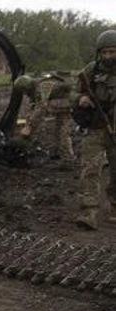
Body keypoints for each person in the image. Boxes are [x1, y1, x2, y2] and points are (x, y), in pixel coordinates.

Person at [74, 30, 116, 230]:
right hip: (96, 127)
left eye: (112, 52)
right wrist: (80, 99)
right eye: (104, 52)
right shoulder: (91, 71)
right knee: (90, 169)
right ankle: (88, 212)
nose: (108, 56)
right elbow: (74, 93)